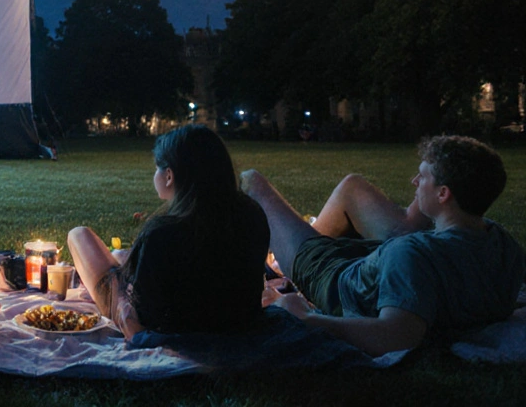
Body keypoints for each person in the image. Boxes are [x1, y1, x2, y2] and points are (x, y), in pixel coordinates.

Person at [241, 136, 525, 357]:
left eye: (423, 176)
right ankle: (283, 254)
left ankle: (273, 262)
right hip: (366, 260)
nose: (414, 181)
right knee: (351, 191)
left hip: (330, 276)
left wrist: (307, 319)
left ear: (443, 193)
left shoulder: (411, 254)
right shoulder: (502, 243)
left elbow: (397, 334)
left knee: (252, 181)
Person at [68, 125, 270, 338]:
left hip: (172, 333)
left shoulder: (163, 234)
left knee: (79, 235)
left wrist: (123, 307)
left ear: (169, 176)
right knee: (120, 256)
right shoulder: (251, 214)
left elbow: (143, 318)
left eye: (157, 168)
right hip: (238, 324)